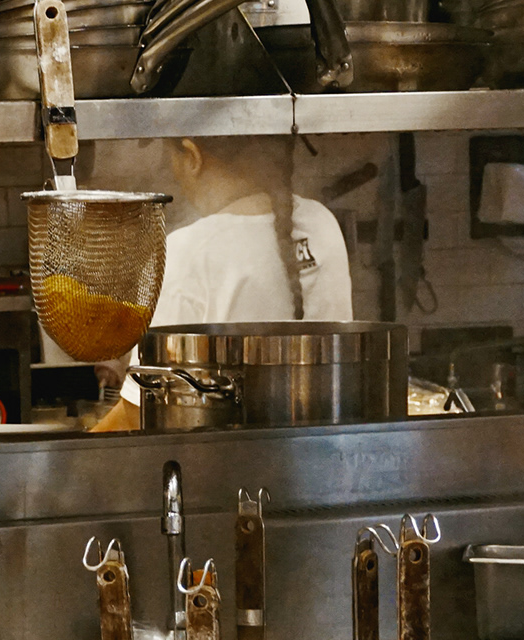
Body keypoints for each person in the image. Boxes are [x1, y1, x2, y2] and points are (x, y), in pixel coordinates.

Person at [91, 135, 353, 430]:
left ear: (192, 156)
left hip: (226, 457)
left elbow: (139, 413)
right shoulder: (322, 222)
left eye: (171, 156)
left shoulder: (186, 252)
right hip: (328, 453)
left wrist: (80, 451)